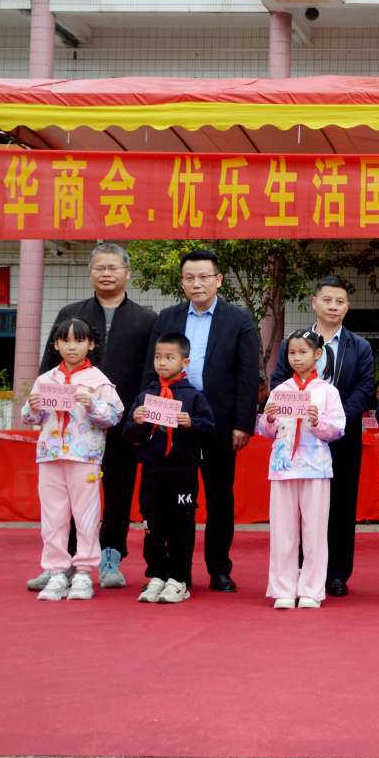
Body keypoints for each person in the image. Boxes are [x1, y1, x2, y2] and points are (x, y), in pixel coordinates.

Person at [29, 243, 156, 592]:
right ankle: (63, 563)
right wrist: (41, 405)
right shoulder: (72, 313)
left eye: (113, 268)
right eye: (100, 268)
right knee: (67, 498)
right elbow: (49, 367)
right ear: (91, 273)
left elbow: (150, 372)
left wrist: (139, 417)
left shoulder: (146, 319)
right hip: (75, 428)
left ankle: (111, 556)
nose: (106, 274)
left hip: (123, 423)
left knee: (118, 490)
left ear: (127, 272)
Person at [143, 249, 260, 593]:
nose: (197, 284)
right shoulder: (167, 318)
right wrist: (149, 412)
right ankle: (176, 569)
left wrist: (243, 423)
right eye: (189, 278)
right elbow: (150, 370)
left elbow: (247, 376)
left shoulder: (238, 320)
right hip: (170, 423)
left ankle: (219, 568)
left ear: (218, 280)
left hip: (218, 423)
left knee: (219, 496)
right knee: (172, 499)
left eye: (204, 277)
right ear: (182, 282)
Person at [269, 276, 376, 598]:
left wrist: (333, 418)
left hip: (342, 439)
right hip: (299, 442)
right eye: (327, 300)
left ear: (348, 307)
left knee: (341, 506)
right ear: (314, 303)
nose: (333, 306)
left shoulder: (360, 346)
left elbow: (365, 389)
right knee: (299, 511)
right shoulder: (295, 343)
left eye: (339, 301)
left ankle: (337, 573)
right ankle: (300, 572)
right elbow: (278, 382)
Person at [22, 319, 124, 602]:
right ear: (56, 345)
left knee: (86, 515)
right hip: (50, 455)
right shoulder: (46, 380)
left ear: (90, 344)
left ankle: (83, 571)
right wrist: (32, 408)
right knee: (53, 516)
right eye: (65, 341)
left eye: (78, 341)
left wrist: (92, 404)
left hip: (85, 456)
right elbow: (30, 417)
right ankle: (56, 571)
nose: (71, 347)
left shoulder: (98, 381)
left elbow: (114, 416)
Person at [124, 333, 215, 605]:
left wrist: (191, 423)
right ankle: (157, 574)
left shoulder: (194, 396)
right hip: (152, 471)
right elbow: (129, 434)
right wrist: (137, 421)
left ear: (185, 361)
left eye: (169, 357)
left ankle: (179, 578)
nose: (162, 363)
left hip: (182, 472)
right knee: (152, 524)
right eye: (158, 357)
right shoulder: (146, 396)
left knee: (180, 524)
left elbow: (209, 431)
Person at [258, 330, 346, 610]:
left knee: (315, 532)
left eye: (303, 352)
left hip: (316, 468)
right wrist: (268, 419)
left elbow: (338, 429)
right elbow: (265, 431)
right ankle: (283, 588)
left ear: (317, 354)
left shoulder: (328, 392)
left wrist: (318, 422)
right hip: (283, 467)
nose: (297, 358)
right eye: (292, 353)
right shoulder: (280, 390)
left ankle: (311, 589)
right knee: (283, 532)